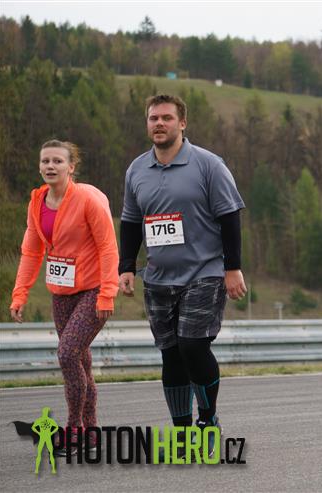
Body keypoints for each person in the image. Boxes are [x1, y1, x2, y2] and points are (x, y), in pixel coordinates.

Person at [118, 94, 246, 456]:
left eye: (167, 118)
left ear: (182, 123)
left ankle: (207, 419)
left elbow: (230, 216)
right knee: (171, 354)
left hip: (205, 271)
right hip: (158, 277)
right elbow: (131, 221)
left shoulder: (208, 165)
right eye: (153, 118)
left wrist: (232, 267)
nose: (159, 123)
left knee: (193, 346)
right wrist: (126, 266)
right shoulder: (136, 170)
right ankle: (181, 432)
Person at [10, 140, 119, 455]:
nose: (50, 166)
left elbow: (108, 247)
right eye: (45, 161)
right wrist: (20, 294)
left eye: (57, 161)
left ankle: (74, 430)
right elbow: (32, 251)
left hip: (93, 289)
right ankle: (92, 432)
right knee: (81, 361)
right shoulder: (37, 203)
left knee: (68, 354)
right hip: (61, 293)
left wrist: (107, 293)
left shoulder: (87, 200)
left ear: (71, 167)